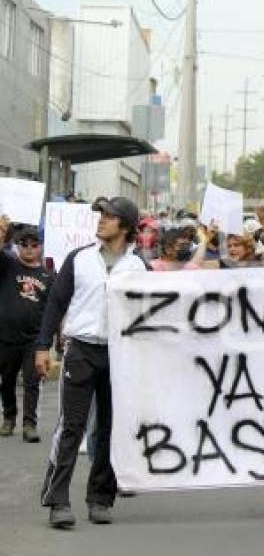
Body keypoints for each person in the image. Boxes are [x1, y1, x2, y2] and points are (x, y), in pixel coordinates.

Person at [34, 196, 148, 528]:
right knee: (71, 426)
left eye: (109, 217)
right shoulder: (80, 258)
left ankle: (100, 498)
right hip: (81, 350)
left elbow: (155, 311)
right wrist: (43, 347)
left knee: (110, 430)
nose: (101, 220)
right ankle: (57, 501)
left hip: (120, 355)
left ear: (125, 227)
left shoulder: (139, 266)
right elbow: (55, 303)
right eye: (101, 215)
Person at [0, 220, 54, 442]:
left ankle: (29, 424)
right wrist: (3, 231)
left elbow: (53, 310)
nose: (29, 248)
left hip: (34, 339)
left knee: (33, 382)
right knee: (7, 380)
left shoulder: (48, 276)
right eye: (24, 244)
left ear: (40, 246)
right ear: (18, 246)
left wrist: (51, 340)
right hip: (5, 336)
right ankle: (9, 418)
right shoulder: (7, 265)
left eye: (33, 244)